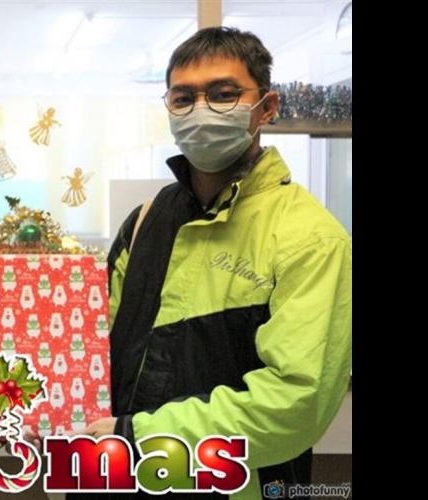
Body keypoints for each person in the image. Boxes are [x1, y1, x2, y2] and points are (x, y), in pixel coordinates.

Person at [75, 27, 352, 499]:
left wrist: (140, 437)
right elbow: (91, 349)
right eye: (183, 98)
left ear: (266, 107)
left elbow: (296, 403)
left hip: (236, 486)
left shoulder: (310, 238)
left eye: (224, 94)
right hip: (123, 480)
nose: (201, 111)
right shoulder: (144, 222)